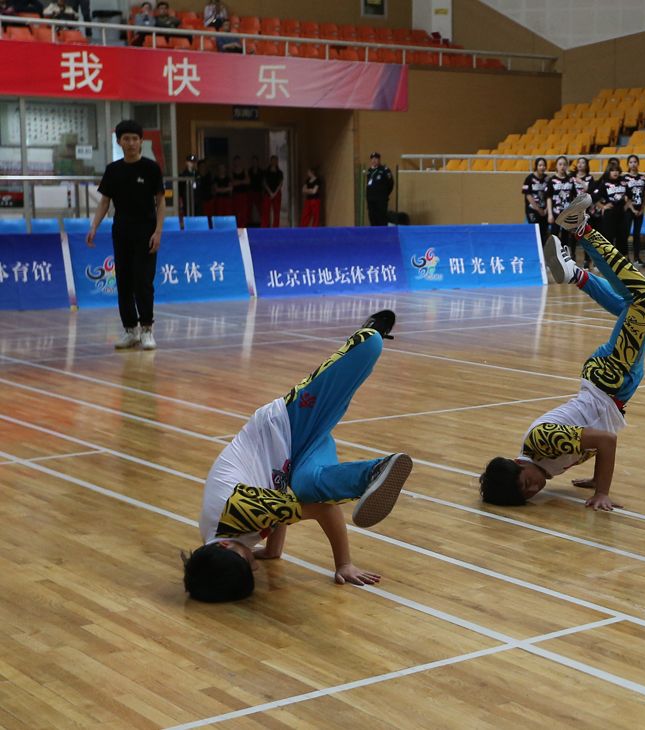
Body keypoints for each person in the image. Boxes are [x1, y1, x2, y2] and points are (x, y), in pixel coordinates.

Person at [183, 311, 414, 603]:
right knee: (307, 486)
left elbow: (323, 509)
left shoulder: (235, 511)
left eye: (247, 561)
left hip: (289, 423)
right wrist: (271, 551)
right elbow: (277, 506)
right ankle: (376, 471)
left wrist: (343, 564)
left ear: (227, 547)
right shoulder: (217, 539)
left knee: (371, 346)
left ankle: (369, 330)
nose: (253, 566)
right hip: (296, 459)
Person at [479, 193, 645, 511]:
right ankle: (574, 273)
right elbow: (594, 442)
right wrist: (595, 475)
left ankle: (582, 230)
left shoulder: (541, 442)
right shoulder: (546, 463)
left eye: (525, 484)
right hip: (609, 383)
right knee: (632, 308)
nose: (534, 489)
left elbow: (606, 441)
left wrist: (602, 491)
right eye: (528, 496)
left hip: (611, 377)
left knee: (644, 297)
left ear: (519, 465)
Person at [86, 119, 165, 351]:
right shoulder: (113, 170)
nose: (130, 143)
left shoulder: (151, 168)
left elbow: (161, 202)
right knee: (124, 282)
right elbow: (104, 202)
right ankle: (130, 330)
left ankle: (147, 330)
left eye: (135, 139)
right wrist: (93, 226)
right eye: (126, 139)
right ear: (119, 142)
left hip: (146, 232)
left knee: (143, 281)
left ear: (141, 141)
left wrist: (158, 231)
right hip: (121, 232)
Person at [596, 160, 629, 256]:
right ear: (609, 172)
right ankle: (608, 259)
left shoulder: (623, 183)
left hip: (621, 215)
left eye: (617, 170)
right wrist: (603, 206)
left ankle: (622, 259)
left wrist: (626, 207)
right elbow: (594, 197)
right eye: (613, 170)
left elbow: (630, 196)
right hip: (609, 215)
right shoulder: (604, 183)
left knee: (622, 237)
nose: (615, 172)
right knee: (608, 237)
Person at [546, 155, 576, 252]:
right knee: (554, 235)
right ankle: (553, 256)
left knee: (565, 236)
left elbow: (574, 197)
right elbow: (549, 198)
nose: (562, 166)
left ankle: (565, 257)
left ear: (567, 166)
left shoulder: (571, 180)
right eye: (560, 164)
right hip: (555, 212)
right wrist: (550, 214)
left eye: (564, 164)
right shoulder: (552, 180)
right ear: (556, 166)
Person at [621, 154, 645, 265]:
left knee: (637, 234)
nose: (633, 164)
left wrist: (642, 209)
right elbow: (625, 196)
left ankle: (637, 257)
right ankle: (626, 257)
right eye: (630, 162)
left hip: (639, 209)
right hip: (628, 209)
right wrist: (632, 208)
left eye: (635, 162)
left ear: (638, 163)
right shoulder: (624, 178)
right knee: (626, 234)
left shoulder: (643, 178)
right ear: (628, 164)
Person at [521, 157, 549, 242]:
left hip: (545, 210)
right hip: (532, 210)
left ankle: (543, 252)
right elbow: (528, 195)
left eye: (544, 165)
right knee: (534, 231)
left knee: (544, 232)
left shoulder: (548, 179)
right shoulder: (529, 179)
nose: (542, 167)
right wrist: (538, 209)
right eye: (540, 165)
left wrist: (546, 209)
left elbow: (550, 195)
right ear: (536, 166)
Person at [365, 152, 393, 227]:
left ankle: (383, 237)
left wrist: (384, 195)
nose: (374, 160)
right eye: (372, 159)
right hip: (371, 201)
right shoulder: (369, 171)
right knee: (372, 218)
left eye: (376, 158)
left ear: (379, 160)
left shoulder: (384, 170)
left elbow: (390, 184)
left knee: (381, 219)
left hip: (381, 200)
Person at [262, 155, 284, 228]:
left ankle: (275, 227)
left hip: (277, 194)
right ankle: (265, 227)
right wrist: (270, 192)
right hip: (267, 193)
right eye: (273, 160)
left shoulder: (280, 172)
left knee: (276, 212)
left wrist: (274, 193)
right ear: (270, 161)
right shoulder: (266, 172)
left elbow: (280, 184)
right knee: (266, 212)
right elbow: (265, 183)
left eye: (276, 160)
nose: (274, 162)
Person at [178, 153, 199, 219]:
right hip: (187, 201)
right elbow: (180, 190)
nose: (192, 164)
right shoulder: (183, 175)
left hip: (197, 200)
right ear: (186, 163)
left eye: (194, 162)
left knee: (198, 218)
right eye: (190, 162)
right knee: (188, 218)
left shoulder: (197, 174)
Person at [248, 155, 263, 226]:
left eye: (255, 161)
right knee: (250, 209)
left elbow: (263, 182)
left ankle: (261, 224)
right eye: (253, 161)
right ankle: (250, 224)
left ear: (258, 162)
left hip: (259, 192)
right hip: (251, 192)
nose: (254, 163)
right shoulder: (249, 171)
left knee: (260, 208)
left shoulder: (261, 172)